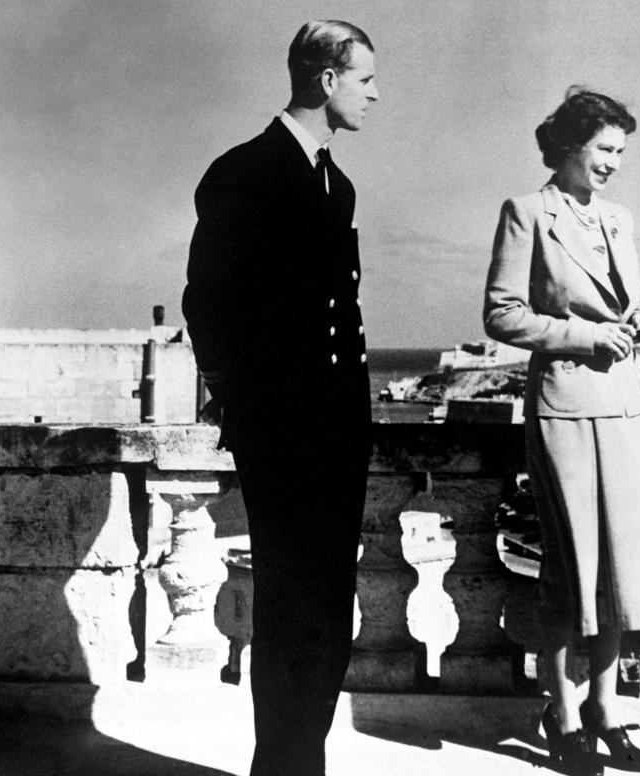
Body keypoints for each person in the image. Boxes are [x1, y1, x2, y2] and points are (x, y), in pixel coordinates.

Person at [181, 19, 379, 776]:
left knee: (328, 610)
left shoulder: (336, 181)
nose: (373, 94)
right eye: (364, 79)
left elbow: (339, 313)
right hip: (283, 433)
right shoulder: (245, 171)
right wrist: (249, 411)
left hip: (337, 428)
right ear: (325, 79)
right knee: (292, 607)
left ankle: (304, 764)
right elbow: (210, 306)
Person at [484, 88, 640, 775]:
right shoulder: (526, 213)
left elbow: (624, 302)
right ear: (568, 145)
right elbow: (502, 315)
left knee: (623, 569)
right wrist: (584, 336)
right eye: (603, 149)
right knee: (571, 572)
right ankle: (560, 709)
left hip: (624, 407)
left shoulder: (619, 219)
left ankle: (605, 706)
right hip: (565, 405)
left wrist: (637, 325)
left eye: (621, 152)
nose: (613, 164)